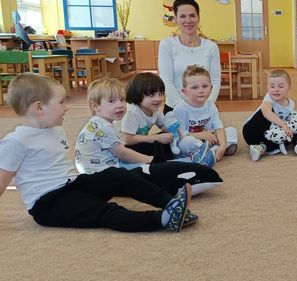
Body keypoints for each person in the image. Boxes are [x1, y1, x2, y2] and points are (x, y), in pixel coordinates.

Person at [0, 74, 193, 232]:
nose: (66, 107)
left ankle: (170, 203)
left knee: (116, 175)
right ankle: (163, 219)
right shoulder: (16, 141)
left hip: (73, 184)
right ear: (39, 107)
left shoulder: (55, 129)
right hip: (48, 204)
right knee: (105, 212)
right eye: (61, 102)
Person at [75, 78, 221, 198]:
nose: (120, 105)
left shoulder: (103, 123)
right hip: (106, 172)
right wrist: (152, 161)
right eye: (112, 101)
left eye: (122, 100)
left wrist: (181, 133)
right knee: (150, 170)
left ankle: (190, 161)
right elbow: (124, 152)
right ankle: (189, 166)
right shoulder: (104, 126)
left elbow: (167, 128)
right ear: (95, 106)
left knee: (161, 147)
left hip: (112, 164)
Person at [158, 0, 221, 112]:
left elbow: (215, 81)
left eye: (192, 15)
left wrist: (206, 106)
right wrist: (185, 109)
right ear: (175, 18)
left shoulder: (211, 47)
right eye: (182, 16)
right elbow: (167, 81)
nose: (188, 21)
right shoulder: (167, 45)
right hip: (175, 108)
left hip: (205, 107)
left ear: (198, 17)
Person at [242, 69, 297, 161]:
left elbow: (291, 125)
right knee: (267, 112)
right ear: (267, 88)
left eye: (281, 86)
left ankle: (262, 148)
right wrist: (283, 125)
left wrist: (288, 129)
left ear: (289, 88)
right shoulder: (269, 98)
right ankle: (266, 145)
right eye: (272, 86)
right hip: (252, 131)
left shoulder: (291, 104)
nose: (276, 89)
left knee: (295, 128)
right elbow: (266, 112)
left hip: (267, 136)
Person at [173, 65, 238, 163]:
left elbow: (218, 127)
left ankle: (212, 152)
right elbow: (181, 134)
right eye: (194, 87)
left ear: (211, 88)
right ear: (184, 91)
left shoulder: (211, 106)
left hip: (210, 139)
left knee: (232, 131)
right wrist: (202, 135)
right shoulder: (180, 109)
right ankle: (209, 152)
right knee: (186, 142)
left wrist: (223, 145)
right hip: (193, 140)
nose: (201, 91)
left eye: (205, 86)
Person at [121, 72, 177, 160]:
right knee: (157, 143)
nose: (158, 99)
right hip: (124, 148)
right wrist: (156, 138)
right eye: (152, 95)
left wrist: (174, 131)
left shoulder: (154, 109)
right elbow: (128, 140)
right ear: (137, 94)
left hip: (139, 143)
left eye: (161, 94)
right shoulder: (131, 111)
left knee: (167, 138)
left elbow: (163, 125)